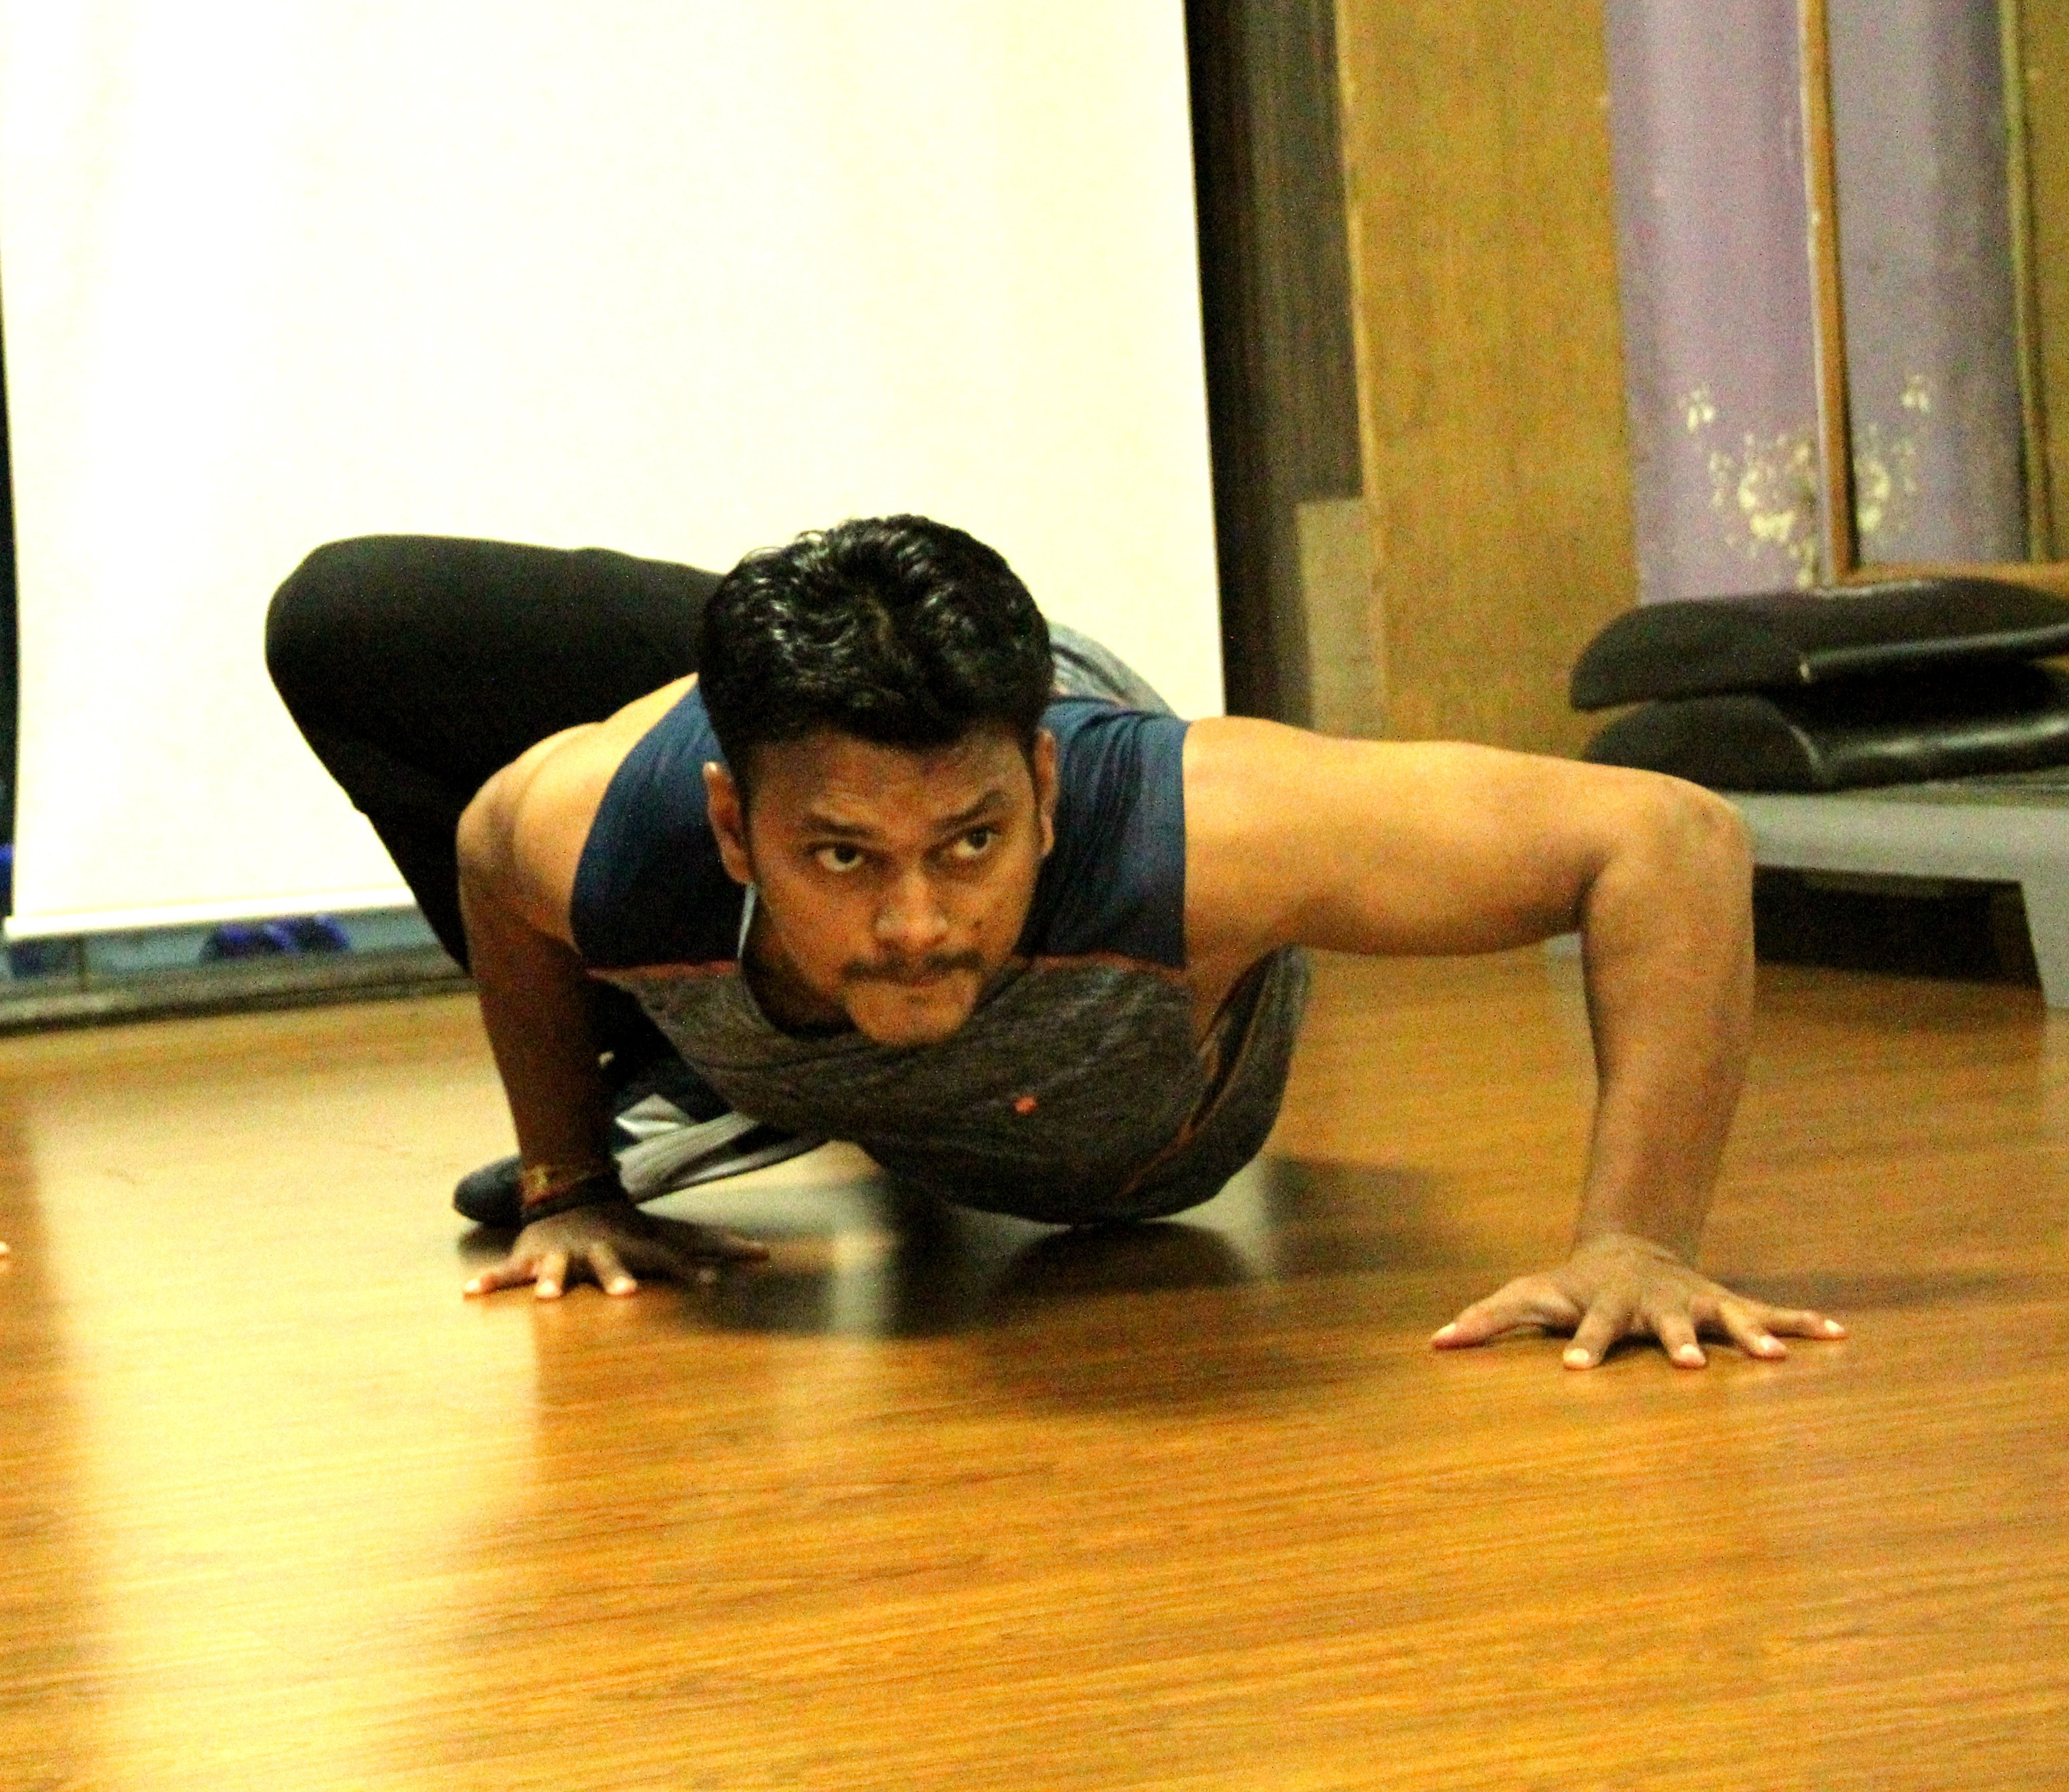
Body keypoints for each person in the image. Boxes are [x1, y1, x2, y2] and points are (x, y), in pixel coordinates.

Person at [267, 516, 1846, 1370]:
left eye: (970, 846)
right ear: (738, 832)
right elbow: (490, 854)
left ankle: (822, 936)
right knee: (354, 615)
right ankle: (712, 1056)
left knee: (900, 795)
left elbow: (1668, 836)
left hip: (1126, 1087)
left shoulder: (1190, 833)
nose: (917, 922)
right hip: (751, 864)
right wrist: (569, 1184)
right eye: (841, 859)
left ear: (1033, 790)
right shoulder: (608, 836)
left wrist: (1637, 1241)